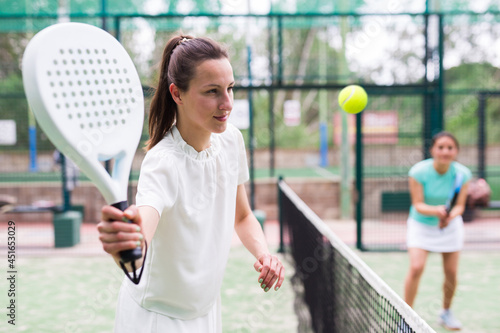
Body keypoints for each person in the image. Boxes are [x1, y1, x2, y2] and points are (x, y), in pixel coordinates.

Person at [97, 35, 285, 332]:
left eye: (230, 89)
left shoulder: (232, 140)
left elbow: (243, 216)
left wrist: (264, 254)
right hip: (157, 319)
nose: (227, 103)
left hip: (206, 312)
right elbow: (142, 233)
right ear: (177, 94)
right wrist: (128, 240)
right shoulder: (162, 162)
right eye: (212, 91)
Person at [404, 131, 471, 331]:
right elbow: (418, 204)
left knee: (451, 272)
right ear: (433, 150)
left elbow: (460, 206)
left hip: (450, 227)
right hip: (421, 225)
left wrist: (449, 216)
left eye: (450, 148)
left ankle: (446, 312)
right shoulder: (418, 172)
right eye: (440, 147)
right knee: (416, 268)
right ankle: (405, 316)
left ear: (456, 151)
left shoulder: (462, 174)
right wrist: (437, 211)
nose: (445, 151)